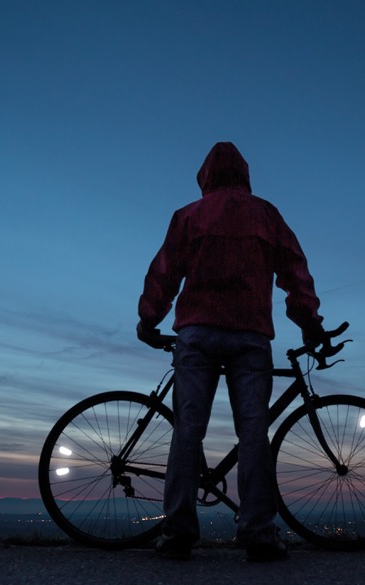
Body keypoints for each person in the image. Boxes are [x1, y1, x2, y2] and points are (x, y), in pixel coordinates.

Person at [137, 142, 325, 562]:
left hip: (197, 333)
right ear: (244, 173)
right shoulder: (267, 214)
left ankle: (178, 533)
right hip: (250, 334)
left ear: (205, 175)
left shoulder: (188, 216)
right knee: (254, 434)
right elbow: (296, 273)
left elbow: (164, 272)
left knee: (188, 430)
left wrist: (148, 320)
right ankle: (258, 533)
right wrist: (310, 324)